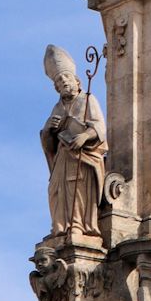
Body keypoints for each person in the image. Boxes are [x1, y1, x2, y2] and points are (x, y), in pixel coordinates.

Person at [40, 45, 107, 240]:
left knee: (77, 189)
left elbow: (99, 128)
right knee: (56, 190)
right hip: (63, 157)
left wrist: (84, 136)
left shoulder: (87, 100)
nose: (63, 83)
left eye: (65, 79)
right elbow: (48, 142)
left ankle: (77, 224)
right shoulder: (57, 107)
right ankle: (61, 226)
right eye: (59, 83)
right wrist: (48, 130)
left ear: (76, 80)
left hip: (83, 157)